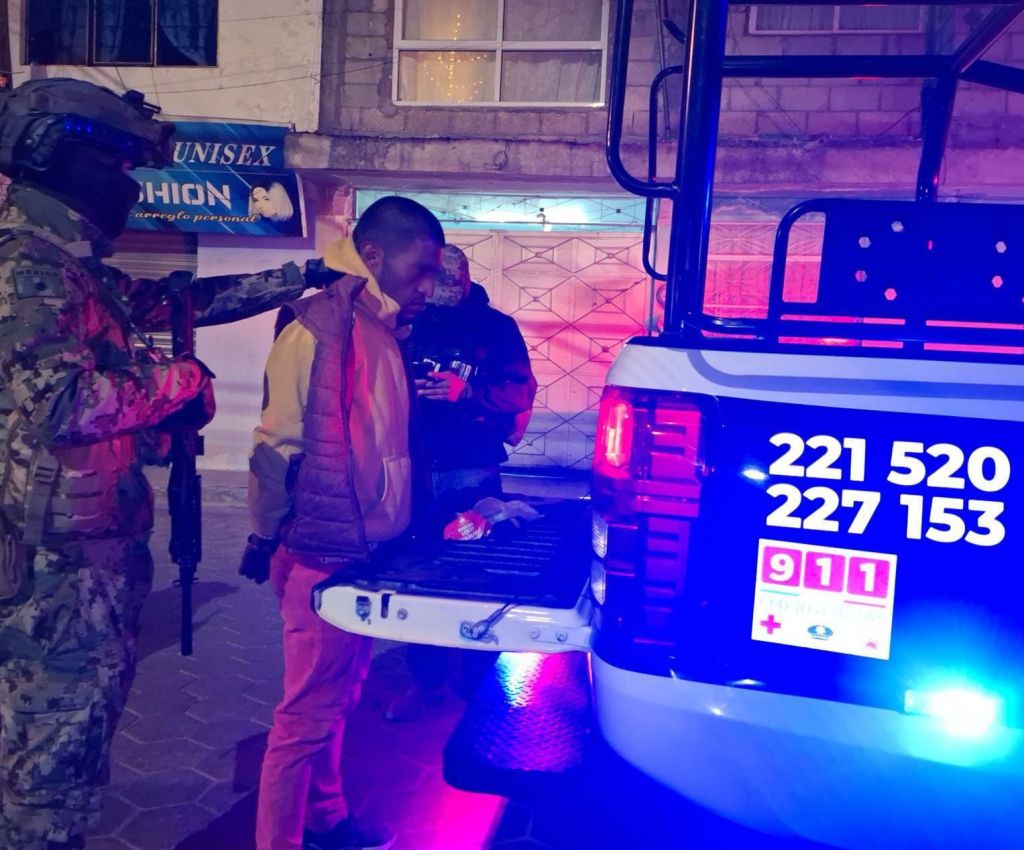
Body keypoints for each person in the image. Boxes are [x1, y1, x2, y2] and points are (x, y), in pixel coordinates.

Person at [0, 78, 343, 850]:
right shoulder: (28, 268)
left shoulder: (71, 266)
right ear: (62, 157)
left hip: (78, 559)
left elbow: (180, 302)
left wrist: (298, 278)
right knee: (49, 774)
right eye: (121, 169)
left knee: (65, 755)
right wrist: (183, 383)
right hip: (53, 576)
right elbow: (61, 402)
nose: (130, 188)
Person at [239, 195, 444, 850]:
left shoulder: (378, 325)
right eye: (420, 269)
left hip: (363, 552)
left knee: (340, 696)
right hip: (320, 554)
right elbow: (276, 447)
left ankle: (326, 818)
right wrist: (266, 535)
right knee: (304, 717)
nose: (428, 287)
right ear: (374, 254)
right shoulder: (318, 325)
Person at [386, 243, 536, 722]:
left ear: (467, 280)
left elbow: (520, 392)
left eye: (452, 287)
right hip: (413, 463)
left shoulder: (496, 328)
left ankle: (478, 689)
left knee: (477, 573)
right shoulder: (408, 321)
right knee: (417, 572)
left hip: (471, 465)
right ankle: (426, 682)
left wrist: (467, 390)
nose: (443, 296)